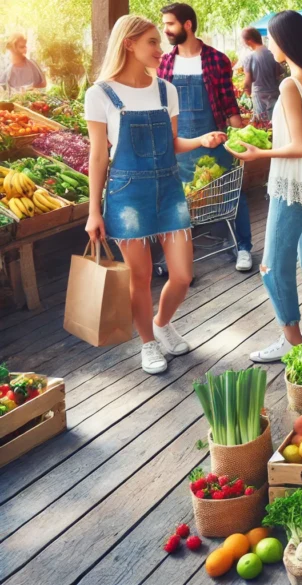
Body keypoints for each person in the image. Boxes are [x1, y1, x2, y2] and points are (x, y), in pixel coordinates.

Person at [84, 16, 227, 374]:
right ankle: (148, 343)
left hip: (169, 189)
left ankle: (162, 323)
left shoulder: (167, 90)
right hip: (127, 194)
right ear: (129, 43)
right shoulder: (100, 94)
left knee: (181, 275)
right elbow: (98, 156)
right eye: (151, 41)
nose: (160, 48)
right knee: (141, 278)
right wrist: (93, 212)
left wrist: (201, 139)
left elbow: (172, 144)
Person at [228, 10, 302, 362]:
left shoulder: (291, 84)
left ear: (285, 41)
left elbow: (300, 146)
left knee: (272, 264)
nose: (270, 44)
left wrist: (259, 152)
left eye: (273, 38)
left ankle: (292, 340)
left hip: (293, 184)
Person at [158, 3, 254, 273]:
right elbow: (163, 107)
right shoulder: (165, 62)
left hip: (215, 138)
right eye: (164, 24)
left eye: (170, 24)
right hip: (180, 145)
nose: (165, 30)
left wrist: (242, 138)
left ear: (188, 25)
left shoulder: (216, 59)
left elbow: (229, 104)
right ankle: (175, 257)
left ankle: (244, 247)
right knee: (177, 200)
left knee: (234, 194)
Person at [240, 27, 283, 122]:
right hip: (275, 93)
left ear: (249, 41)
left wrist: (247, 94)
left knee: (263, 125)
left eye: (242, 40)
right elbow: (279, 74)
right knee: (275, 121)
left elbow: (247, 82)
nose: (242, 43)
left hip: (259, 96)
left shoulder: (249, 57)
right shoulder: (273, 53)